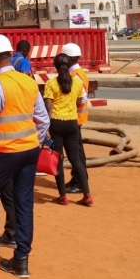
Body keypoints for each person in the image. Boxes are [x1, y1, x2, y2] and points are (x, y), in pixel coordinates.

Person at [0, 34, 50, 279]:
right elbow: (43, 119)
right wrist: (35, 141)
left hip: (4, 153)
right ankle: (21, 261)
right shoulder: (28, 81)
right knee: (24, 203)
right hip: (28, 151)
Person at [44, 54, 91, 206]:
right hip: (72, 123)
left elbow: (48, 107)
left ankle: (63, 196)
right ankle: (87, 195)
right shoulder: (77, 82)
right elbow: (79, 102)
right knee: (76, 159)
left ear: (55, 66)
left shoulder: (51, 83)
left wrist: (46, 126)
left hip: (56, 123)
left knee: (58, 160)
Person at [61, 42, 90, 193]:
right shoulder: (78, 73)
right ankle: (76, 178)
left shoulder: (75, 76)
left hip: (74, 118)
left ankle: (80, 181)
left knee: (77, 153)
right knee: (76, 151)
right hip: (76, 118)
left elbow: (81, 98)